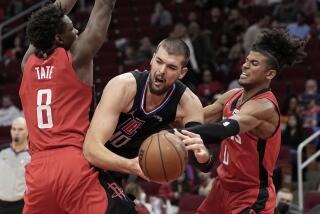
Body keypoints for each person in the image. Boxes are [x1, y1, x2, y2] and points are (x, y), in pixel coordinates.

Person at [174, 29, 306, 213]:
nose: (245, 66)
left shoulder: (265, 107)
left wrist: (173, 135)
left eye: (254, 63)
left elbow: (222, 130)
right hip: (221, 187)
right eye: (246, 61)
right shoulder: (232, 95)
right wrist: (158, 120)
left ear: (269, 74)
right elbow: (196, 119)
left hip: (250, 195)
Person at [83, 38, 212, 199]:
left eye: (171, 67)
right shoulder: (123, 86)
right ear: (152, 59)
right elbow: (90, 149)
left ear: (182, 73)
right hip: (81, 155)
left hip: (116, 170)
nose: (162, 71)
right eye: (159, 61)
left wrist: (205, 158)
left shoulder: (188, 104)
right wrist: (132, 165)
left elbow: (197, 159)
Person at [19, 0, 116, 213]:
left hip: (38, 171)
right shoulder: (77, 60)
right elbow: (104, 8)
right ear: (58, 38)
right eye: (72, 27)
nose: (77, 29)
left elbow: (52, 14)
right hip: (73, 162)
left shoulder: (27, 66)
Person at [0, 117, 30, 214]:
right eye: (14, 129)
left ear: (28, 131)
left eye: (20, 129)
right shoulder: (1, 151)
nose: (16, 132)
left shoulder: (32, 155)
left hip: (21, 205)